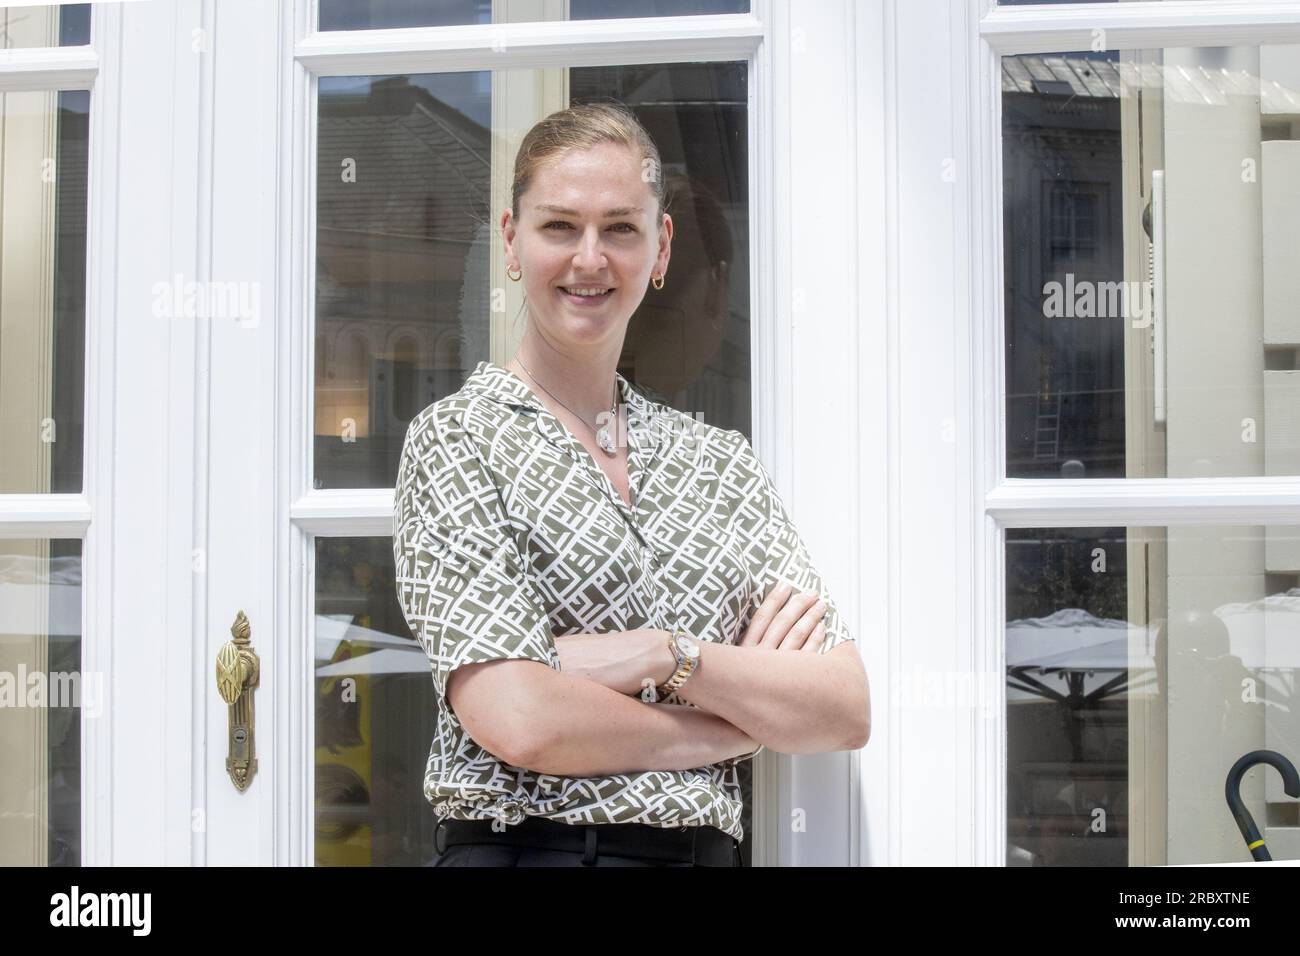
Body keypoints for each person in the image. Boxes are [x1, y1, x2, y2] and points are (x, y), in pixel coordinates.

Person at [392, 101, 870, 868]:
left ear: (660, 248)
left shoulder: (718, 462)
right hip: (528, 855)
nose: (590, 259)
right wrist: (730, 728)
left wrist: (662, 655)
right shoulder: (458, 439)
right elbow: (520, 718)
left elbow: (842, 707)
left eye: (620, 228)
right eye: (559, 227)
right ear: (512, 241)